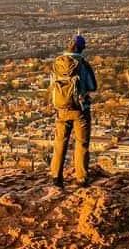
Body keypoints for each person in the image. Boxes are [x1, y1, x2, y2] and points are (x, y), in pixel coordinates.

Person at [48, 34, 97, 188]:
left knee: (60, 143)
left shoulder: (57, 63)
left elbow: (52, 85)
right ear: (81, 48)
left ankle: (56, 177)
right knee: (81, 144)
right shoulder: (82, 64)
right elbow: (92, 86)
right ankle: (81, 178)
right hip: (79, 109)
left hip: (61, 109)